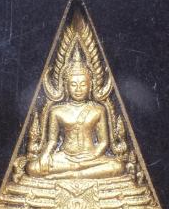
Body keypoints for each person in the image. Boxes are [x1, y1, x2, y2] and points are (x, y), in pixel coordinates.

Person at [26, 48, 124, 179]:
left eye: (83, 84)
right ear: (66, 86)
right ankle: (78, 170)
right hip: (65, 157)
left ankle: (74, 174)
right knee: (32, 168)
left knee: (118, 166)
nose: (78, 89)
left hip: (91, 157)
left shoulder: (98, 109)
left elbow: (103, 142)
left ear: (90, 86)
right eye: (73, 84)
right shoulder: (56, 110)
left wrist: (94, 155)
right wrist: (45, 155)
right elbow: (52, 141)